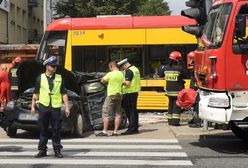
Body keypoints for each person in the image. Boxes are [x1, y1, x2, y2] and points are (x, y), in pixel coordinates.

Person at [31, 56, 70, 158]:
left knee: (56, 129)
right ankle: (42, 150)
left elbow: (64, 93)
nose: (55, 68)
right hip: (44, 106)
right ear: (47, 66)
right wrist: (33, 106)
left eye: (55, 66)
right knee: (43, 129)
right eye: (53, 66)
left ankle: (57, 150)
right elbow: (35, 94)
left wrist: (67, 107)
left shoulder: (59, 78)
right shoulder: (40, 78)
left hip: (55, 107)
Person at [158, 51, 187, 126]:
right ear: (177, 59)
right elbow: (185, 75)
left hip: (169, 91)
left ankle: (170, 121)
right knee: (177, 107)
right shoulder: (179, 68)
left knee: (170, 106)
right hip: (177, 92)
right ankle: (175, 122)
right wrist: (182, 64)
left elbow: (160, 74)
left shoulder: (166, 68)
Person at [96, 61, 124, 136]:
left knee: (105, 112)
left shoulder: (110, 74)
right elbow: (123, 82)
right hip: (119, 94)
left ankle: (104, 131)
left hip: (111, 95)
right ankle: (115, 132)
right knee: (118, 114)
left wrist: (105, 82)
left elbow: (102, 81)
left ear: (111, 66)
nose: (109, 68)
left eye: (109, 67)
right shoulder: (121, 74)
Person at [117, 58, 141, 135]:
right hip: (134, 92)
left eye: (123, 67)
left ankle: (131, 129)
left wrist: (119, 81)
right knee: (134, 111)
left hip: (129, 93)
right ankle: (135, 128)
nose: (123, 68)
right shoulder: (135, 69)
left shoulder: (129, 71)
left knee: (130, 112)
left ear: (125, 64)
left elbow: (127, 83)